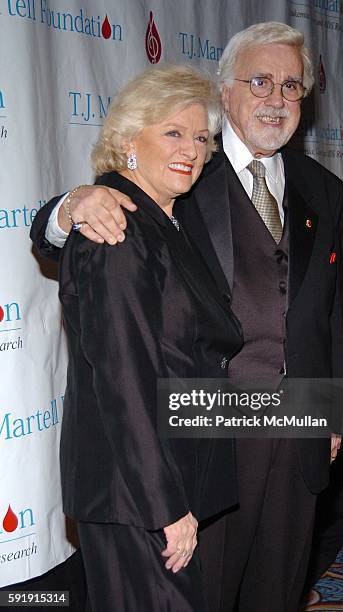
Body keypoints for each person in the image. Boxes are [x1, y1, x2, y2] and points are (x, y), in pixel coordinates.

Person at [31, 22, 343, 612]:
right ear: (225, 92)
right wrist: (72, 204)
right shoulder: (179, 174)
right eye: (259, 81)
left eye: (291, 86)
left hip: (298, 424)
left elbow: (325, 311)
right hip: (204, 436)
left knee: (277, 588)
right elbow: (87, 242)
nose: (276, 98)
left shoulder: (323, 188)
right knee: (202, 592)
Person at [35, 64, 243, 611]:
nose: (192, 148)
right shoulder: (118, 228)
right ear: (129, 139)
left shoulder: (166, 216)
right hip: (139, 494)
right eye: (173, 132)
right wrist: (165, 507)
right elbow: (125, 378)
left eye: (201, 137)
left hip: (168, 476)